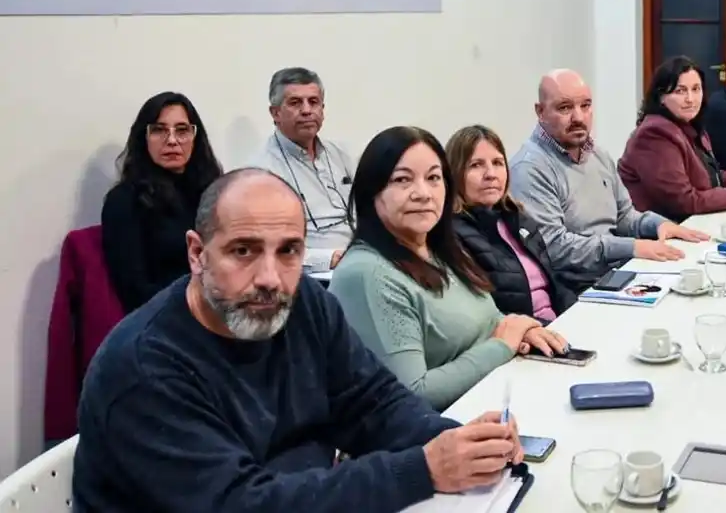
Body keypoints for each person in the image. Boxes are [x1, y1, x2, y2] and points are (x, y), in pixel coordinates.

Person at [73, 169, 525, 512]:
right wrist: (423, 468)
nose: (269, 278)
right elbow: (243, 504)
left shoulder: (303, 302)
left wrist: (461, 445)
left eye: (288, 250)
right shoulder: (145, 369)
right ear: (197, 253)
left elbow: (372, 402)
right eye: (243, 250)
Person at [330, 127, 567, 410]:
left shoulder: (437, 249)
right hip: (439, 438)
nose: (423, 193)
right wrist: (503, 345)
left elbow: (493, 321)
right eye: (403, 180)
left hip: (498, 397)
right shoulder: (367, 275)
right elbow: (412, 395)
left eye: (433, 178)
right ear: (372, 192)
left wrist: (521, 330)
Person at [510, 69, 710, 293]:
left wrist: (659, 225)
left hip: (618, 272)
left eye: (585, 106)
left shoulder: (598, 154)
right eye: (565, 108)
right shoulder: (530, 168)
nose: (578, 117)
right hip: (576, 287)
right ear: (540, 111)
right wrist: (631, 247)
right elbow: (556, 249)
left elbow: (625, 216)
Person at [102, 92, 223, 313]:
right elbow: (135, 290)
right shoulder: (124, 200)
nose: (172, 140)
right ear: (143, 138)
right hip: (167, 317)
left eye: (182, 130)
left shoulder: (215, 192)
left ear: (196, 137)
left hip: (222, 308)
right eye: (159, 130)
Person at [446, 124, 577, 322]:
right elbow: (489, 316)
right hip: (524, 338)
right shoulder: (454, 234)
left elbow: (556, 284)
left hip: (557, 325)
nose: (490, 174)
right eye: (476, 165)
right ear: (454, 174)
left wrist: (581, 315)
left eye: (498, 162)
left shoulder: (517, 217)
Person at [619, 56, 726, 222]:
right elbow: (682, 201)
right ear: (661, 97)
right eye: (680, 91)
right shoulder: (654, 133)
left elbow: (704, 173)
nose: (690, 99)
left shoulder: (691, 125)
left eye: (696, 89)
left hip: (691, 223)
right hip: (659, 234)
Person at [246, 67, 355, 273]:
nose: (307, 110)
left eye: (313, 102)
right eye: (295, 103)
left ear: (323, 109)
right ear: (275, 113)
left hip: (358, 260)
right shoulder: (261, 171)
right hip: (310, 276)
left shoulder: (342, 155)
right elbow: (264, 245)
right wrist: (327, 259)